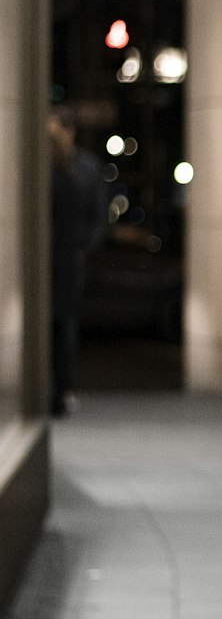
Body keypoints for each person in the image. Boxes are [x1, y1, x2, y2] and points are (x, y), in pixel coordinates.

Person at [48, 106, 107, 416]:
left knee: (65, 327)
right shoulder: (45, 166)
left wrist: (85, 247)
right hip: (48, 259)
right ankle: (51, 390)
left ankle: (62, 389)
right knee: (49, 327)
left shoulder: (86, 167)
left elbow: (98, 214)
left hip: (69, 259)